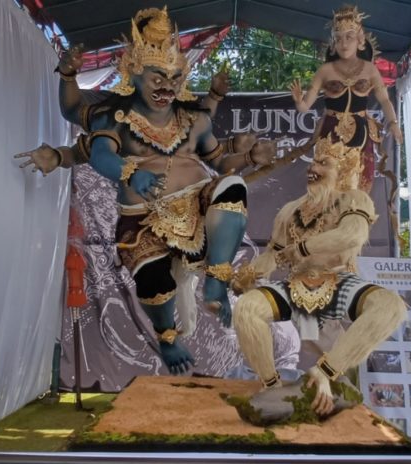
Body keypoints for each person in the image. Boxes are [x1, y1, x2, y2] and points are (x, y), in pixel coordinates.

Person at [15, 7, 274, 374]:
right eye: (157, 77)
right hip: (143, 219)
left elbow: (219, 162)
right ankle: (167, 337)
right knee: (154, 280)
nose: (167, 87)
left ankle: (217, 281)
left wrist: (248, 158)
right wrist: (130, 173)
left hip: (197, 207)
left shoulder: (194, 118)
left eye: (174, 78)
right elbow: (98, 152)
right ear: (133, 72)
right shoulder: (114, 117)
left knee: (232, 187)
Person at [231, 135, 406, 415]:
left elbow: (351, 235)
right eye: (313, 162)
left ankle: (325, 373)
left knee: (390, 307)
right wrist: (249, 274)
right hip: (296, 284)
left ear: (343, 171)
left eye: (323, 163)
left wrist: (303, 247)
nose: (313, 168)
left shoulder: (354, 199)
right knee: (247, 308)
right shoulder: (290, 211)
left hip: (338, 282)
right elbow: (273, 255)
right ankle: (271, 386)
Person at [289, 6, 403, 193]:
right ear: (333, 43)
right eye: (339, 38)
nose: (344, 43)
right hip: (330, 133)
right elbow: (304, 107)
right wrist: (299, 101)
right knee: (327, 188)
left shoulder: (370, 69)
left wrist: (393, 123)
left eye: (349, 37)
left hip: (362, 133)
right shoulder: (325, 71)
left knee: (360, 186)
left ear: (360, 40)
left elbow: (384, 100)